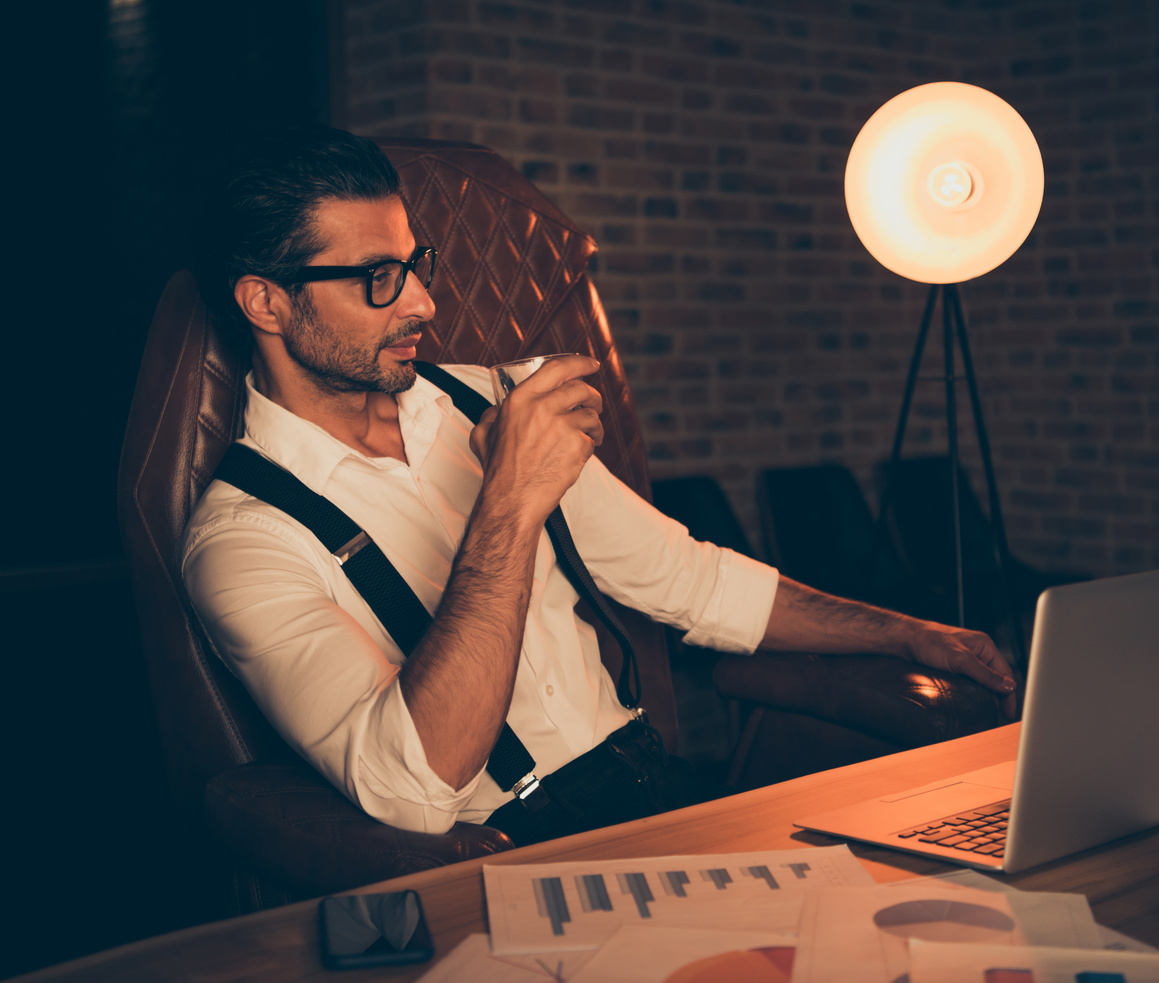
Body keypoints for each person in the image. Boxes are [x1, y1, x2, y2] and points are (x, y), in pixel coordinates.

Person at [183, 126, 1016, 845]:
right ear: (266, 301)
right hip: (508, 849)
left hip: (660, 788)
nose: (427, 304)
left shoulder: (489, 397)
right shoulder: (243, 540)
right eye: (379, 279)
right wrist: (509, 497)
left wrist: (908, 634)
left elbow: (690, 579)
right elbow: (411, 788)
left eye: (416, 265)